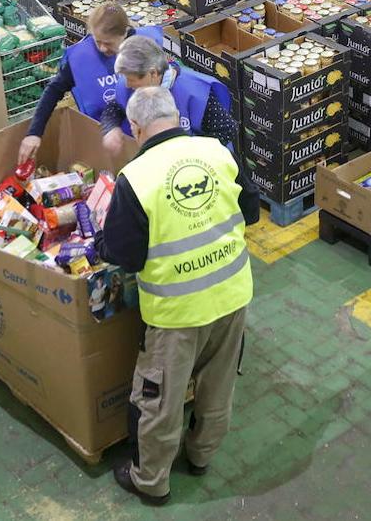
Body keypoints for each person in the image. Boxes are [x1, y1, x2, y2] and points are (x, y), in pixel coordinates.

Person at [98, 86, 258, 506]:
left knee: (158, 401)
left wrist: (101, 242)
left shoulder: (136, 178)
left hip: (177, 312)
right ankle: (202, 456)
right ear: (174, 116)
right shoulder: (218, 153)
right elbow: (252, 212)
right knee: (217, 386)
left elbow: (125, 255)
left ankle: (151, 482)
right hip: (232, 293)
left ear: (135, 127)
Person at [16, 4, 163, 163]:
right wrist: (34, 133)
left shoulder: (147, 46)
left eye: (108, 43)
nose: (101, 48)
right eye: (97, 41)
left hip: (150, 142)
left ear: (125, 34)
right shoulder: (81, 58)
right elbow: (53, 90)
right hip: (104, 144)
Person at [99, 35, 235, 158]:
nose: (127, 85)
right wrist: (111, 128)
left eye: (132, 80)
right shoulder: (128, 86)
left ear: (153, 74)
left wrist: (195, 155)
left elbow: (226, 129)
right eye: (125, 78)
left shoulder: (195, 93)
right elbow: (114, 109)